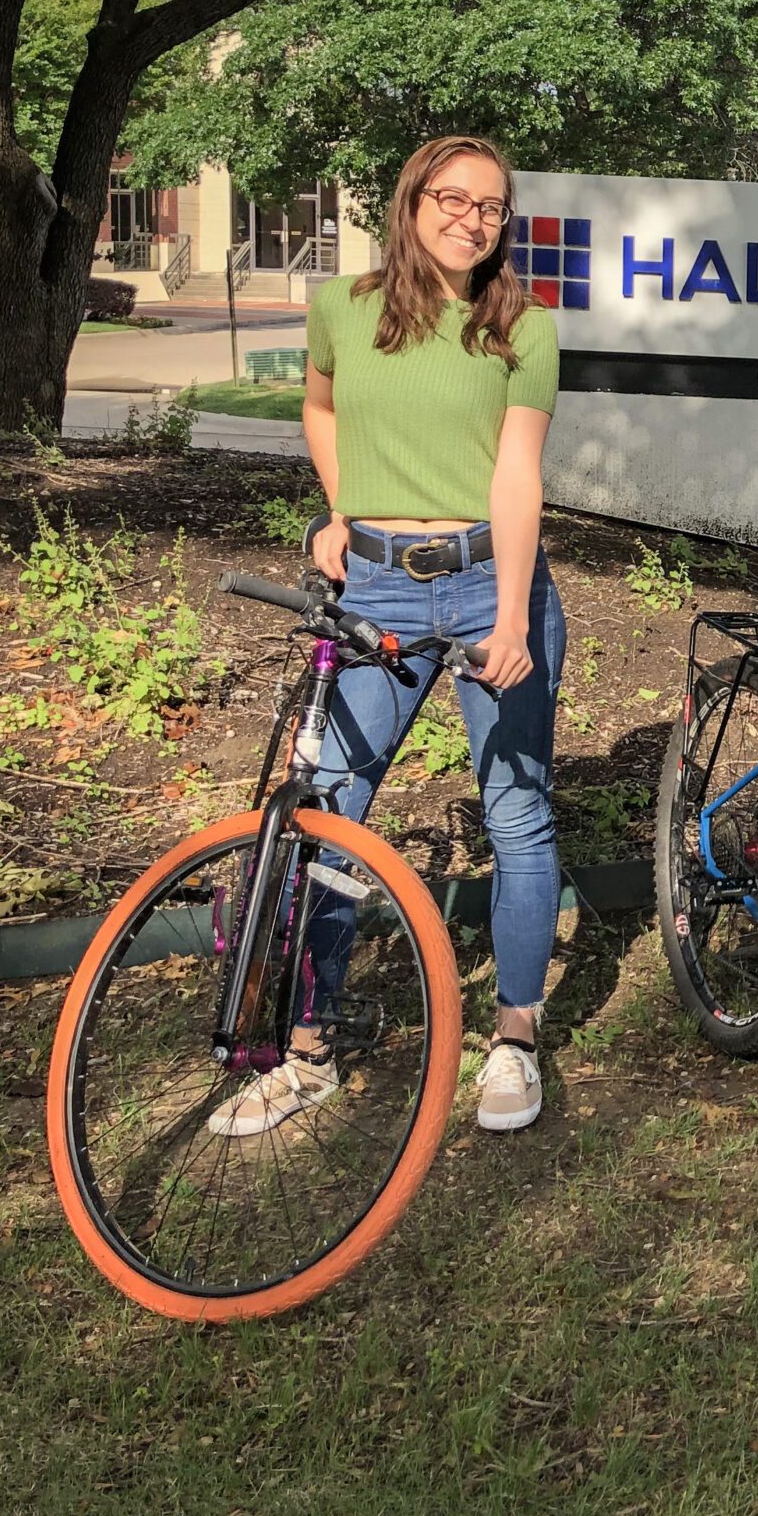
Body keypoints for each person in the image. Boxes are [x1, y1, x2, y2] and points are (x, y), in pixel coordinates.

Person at [207, 133, 566, 1139]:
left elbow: (517, 474)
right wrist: (340, 510)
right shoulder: (342, 309)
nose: (471, 219)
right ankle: (308, 1050)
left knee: (517, 812)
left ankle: (515, 1036)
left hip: (491, 582)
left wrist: (511, 615)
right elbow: (321, 408)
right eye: (452, 198)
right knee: (331, 813)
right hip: (372, 589)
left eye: (490, 206)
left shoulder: (523, 327)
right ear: (412, 201)